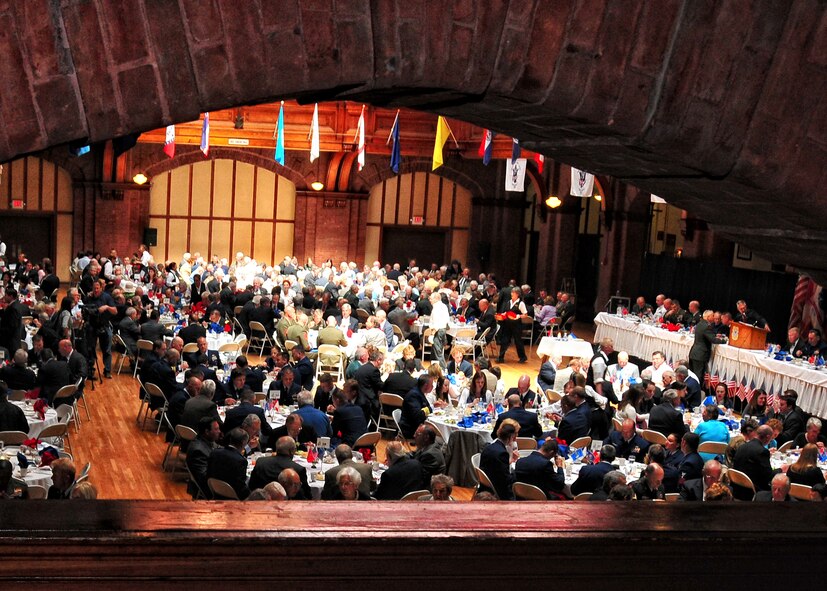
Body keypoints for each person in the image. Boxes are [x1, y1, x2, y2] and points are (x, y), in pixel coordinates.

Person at [478, 419, 520, 500]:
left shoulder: (489, 446)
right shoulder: (502, 453)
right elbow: (506, 480)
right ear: (510, 437)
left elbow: (498, 467)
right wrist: (518, 472)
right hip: (498, 489)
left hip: (485, 485)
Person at [733, 424, 780, 495]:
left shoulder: (742, 446)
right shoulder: (762, 451)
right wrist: (781, 469)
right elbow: (768, 476)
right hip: (752, 490)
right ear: (767, 437)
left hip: (736, 486)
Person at [206, 427, 250, 499]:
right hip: (232, 496)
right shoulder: (241, 461)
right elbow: (240, 487)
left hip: (214, 491)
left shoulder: (214, 452)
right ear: (243, 443)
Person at [186, 417, 221, 499]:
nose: (219, 432)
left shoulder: (207, 440)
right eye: (216, 429)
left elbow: (219, 448)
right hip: (209, 490)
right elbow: (204, 479)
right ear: (207, 432)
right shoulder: (198, 451)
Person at [688, 310, 726, 380]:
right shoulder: (707, 326)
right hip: (700, 355)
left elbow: (705, 334)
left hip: (694, 352)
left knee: (692, 375)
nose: (714, 317)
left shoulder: (700, 324)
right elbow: (713, 340)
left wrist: (714, 335)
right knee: (698, 377)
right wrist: (724, 340)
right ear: (708, 317)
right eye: (712, 315)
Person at [496, 288, 528, 364]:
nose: (511, 294)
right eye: (511, 293)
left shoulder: (521, 303)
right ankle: (500, 357)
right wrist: (503, 314)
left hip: (516, 325)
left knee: (518, 341)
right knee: (504, 340)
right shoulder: (508, 302)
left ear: (517, 294)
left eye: (513, 293)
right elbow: (506, 312)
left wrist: (518, 316)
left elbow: (525, 315)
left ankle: (523, 357)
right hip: (507, 324)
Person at [398, 374, 434, 439]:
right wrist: (432, 407)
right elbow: (418, 415)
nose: (433, 386)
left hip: (415, 425)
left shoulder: (419, 392)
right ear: (426, 385)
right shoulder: (414, 395)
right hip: (410, 428)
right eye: (431, 385)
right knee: (436, 435)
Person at [354, 348, 384, 422]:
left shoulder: (362, 367)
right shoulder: (374, 370)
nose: (382, 363)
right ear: (378, 360)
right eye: (382, 361)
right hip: (369, 401)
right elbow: (380, 386)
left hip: (358, 398)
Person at [428, 292, 451, 369]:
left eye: (431, 298)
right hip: (442, 330)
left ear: (436, 299)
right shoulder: (443, 306)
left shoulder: (437, 308)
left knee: (438, 353)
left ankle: (444, 370)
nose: (430, 300)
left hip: (438, 331)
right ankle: (434, 369)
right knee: (435, 352)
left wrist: (432, 334)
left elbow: (436, 323)